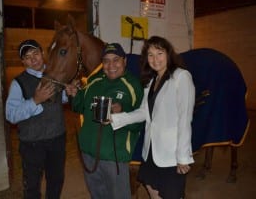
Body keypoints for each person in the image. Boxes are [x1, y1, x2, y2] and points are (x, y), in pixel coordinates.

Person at [111, 36, 195, 199]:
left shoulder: (181, 77)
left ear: (168, 54)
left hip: (171, 153)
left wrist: (183, 157)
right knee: (151, 188)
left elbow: (185, 119)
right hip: (151, 150)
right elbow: (144, 112)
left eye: (159, 53)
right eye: (150, 55)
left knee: (172, 195)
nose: (155, 59)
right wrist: (116, 119)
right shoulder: (151, 80)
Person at [65, 43, 144, 199]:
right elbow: (79, 107)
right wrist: (74, 95)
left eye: (116, 60)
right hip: (88, 153)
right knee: (97, 195)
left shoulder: (133, 85)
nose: (111, 65)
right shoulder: (94, 80)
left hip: (114, 156)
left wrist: (122, 112)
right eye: (106, 61)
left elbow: (141, 123)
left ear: (125, 61)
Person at [5, 39, 67, 199]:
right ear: (23, 61)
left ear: (42, 53)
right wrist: (35, 101)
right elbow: (11, 115)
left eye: (36, 53)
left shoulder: (55, 74)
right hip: (32, 144)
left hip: (57, 139)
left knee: (56, 180)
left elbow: (63, 98)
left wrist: (70, 91)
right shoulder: (18, 83)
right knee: (32, 186)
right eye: (27, 57)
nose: (33, 59)